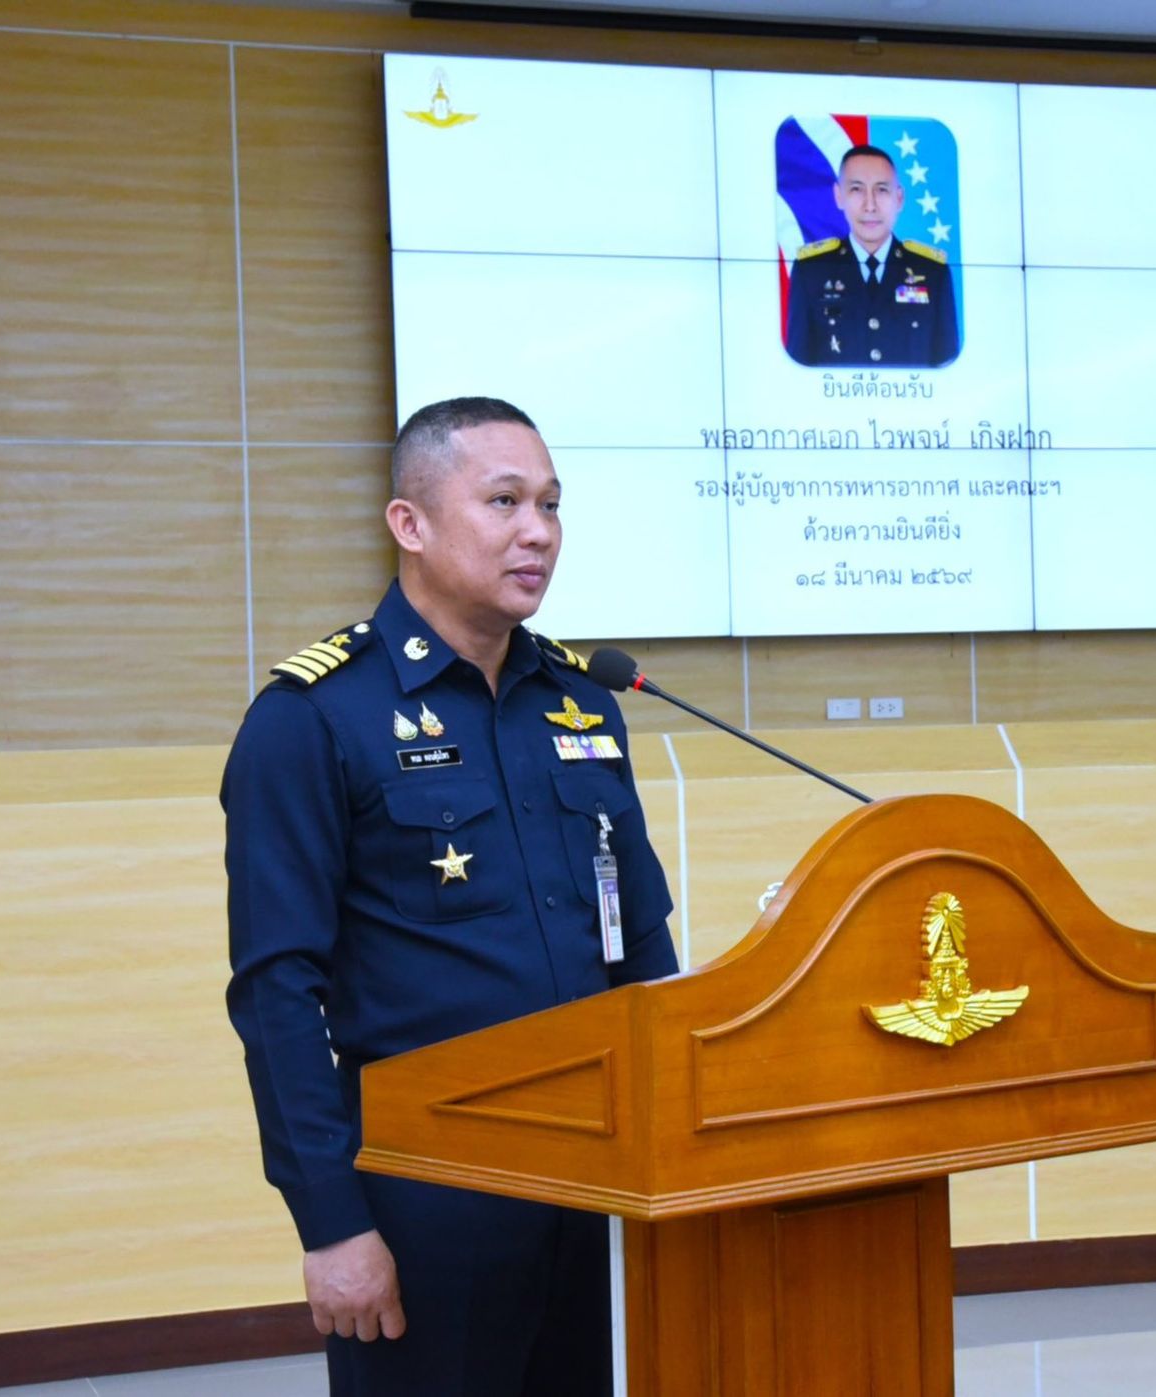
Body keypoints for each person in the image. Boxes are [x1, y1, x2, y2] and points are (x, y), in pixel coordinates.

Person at [222, 396, 678, 1397]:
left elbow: (640, 945)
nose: (538, 531)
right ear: (411, 523)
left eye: (551, 504)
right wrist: (331, 1223)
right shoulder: (315, 716)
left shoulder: (584, 703)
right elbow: (275, 992)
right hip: (431, 1199)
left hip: (597, 1185)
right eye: (505, 501)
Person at [784, 143, 960, 369]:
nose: (870, 205)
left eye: (882, 190)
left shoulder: (933, 271)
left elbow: (948, 369)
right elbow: (797, 370)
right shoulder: (811, 270)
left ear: (899, 198)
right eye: (856, 189)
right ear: (838, 196)